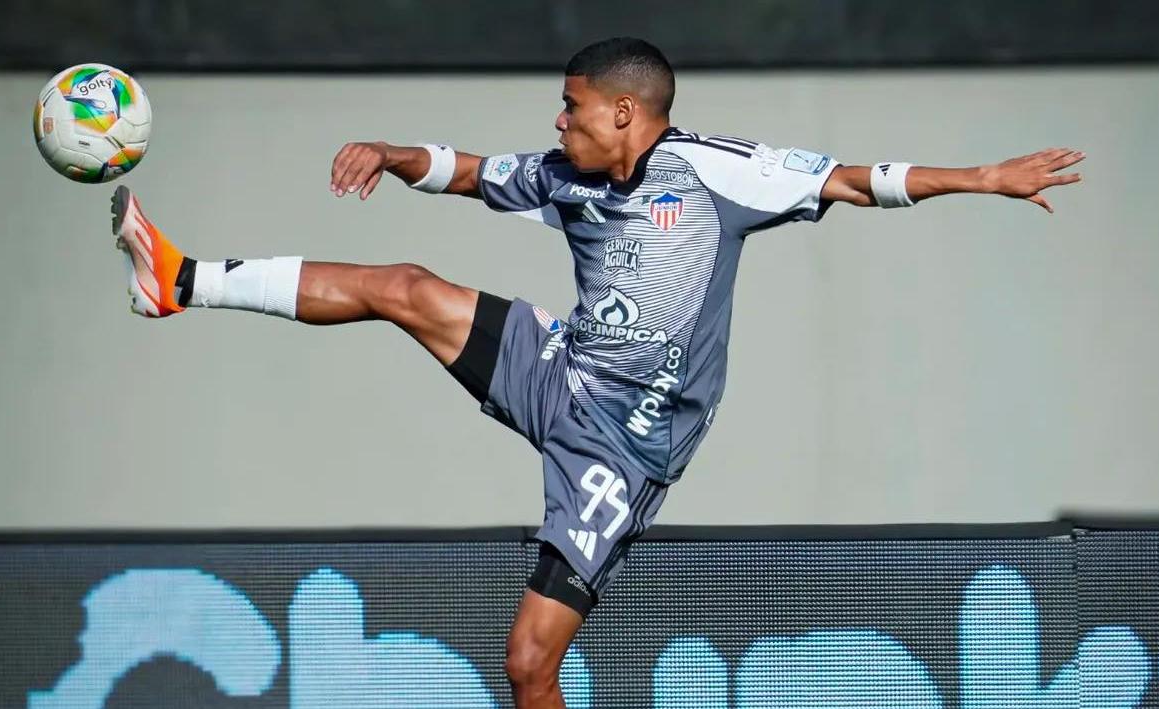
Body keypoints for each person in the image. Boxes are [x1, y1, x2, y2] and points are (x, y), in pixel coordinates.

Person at [112, 36, 1083, 708]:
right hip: (557, 364)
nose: (559, 121)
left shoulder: (716, 170)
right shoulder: (569, 171)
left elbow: (855, 181)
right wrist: (392, 152)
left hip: (625, 443)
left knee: (528, 663)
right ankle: (178, 279)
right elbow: (475, 172)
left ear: (626, 112)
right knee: (403, 284)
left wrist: (984, 179)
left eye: (572, 108)